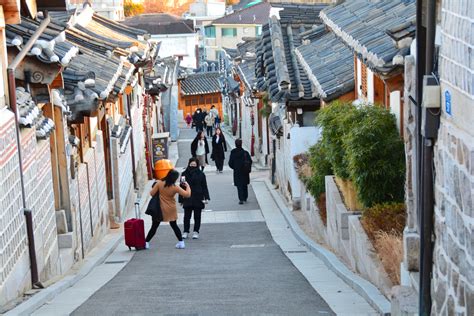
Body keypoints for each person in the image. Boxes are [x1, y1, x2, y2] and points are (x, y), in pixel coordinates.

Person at [145, 170, 191, 249]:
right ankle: (181, 242)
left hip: (159, 208)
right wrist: (187, 186)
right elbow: (187, 195)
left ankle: (146, 242)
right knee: (174, 225)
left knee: (154, 226)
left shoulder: (159, 183)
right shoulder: (175, 187)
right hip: (171, 208)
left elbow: (152, 193)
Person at [179, 158, 210, 239]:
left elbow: (204, 186)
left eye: (194, 164)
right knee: (186, 216)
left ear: (197, 165)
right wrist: (180, 200)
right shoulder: (184, 174)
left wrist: (206, 197)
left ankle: (196, 231)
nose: (192, 166)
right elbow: (181, 187)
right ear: (189, 164)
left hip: (198, 197)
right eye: (191, 164)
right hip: (187, 197)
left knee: (197, 216)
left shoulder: (201, 174)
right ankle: (186, 231)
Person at [228, 139, 252, 204]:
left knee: (239, 185)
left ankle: (241, 199)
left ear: (235, 144)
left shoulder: (233, 152)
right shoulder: (245, 153)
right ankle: (245, 197)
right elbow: (250, 161)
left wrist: (235, 167)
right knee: (244, 185)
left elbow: (230, 163)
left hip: (237, 172)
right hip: (245, 172)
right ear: (241, 144)